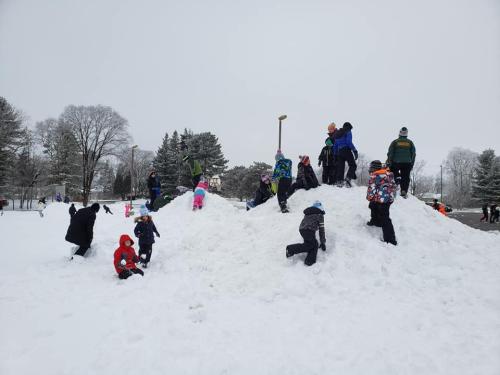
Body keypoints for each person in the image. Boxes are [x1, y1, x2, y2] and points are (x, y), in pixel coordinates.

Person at [366, 160, 397, 246]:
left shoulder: (374, 175)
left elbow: (371, 189)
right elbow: (394, 187)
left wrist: (369, 197)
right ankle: (375, 221)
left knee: (385, 218)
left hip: (381, 199)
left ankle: (390, 240)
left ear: (373, 168)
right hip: (387, 200)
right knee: (373, 206)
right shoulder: (389, 174)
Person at [286, 201, 326, 266]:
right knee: (314, 244)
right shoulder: (320, 215)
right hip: (309, 230)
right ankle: (291, 249)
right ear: (321, 208)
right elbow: (321, 229)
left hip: (302, 229)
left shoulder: (308, 213)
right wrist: (323, 242)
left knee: (311, 245)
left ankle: (309, 261)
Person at [386, 126, 416, 199]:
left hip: (396, 162)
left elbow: (390, 153)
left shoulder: (395, 142)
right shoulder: (410, 142)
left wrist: (389, 162)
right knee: (405, 177)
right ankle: (404, 191)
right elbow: (413, 154)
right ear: (406, 134)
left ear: (399, 133)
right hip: (407, 163)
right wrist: (411, 163)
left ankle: (396, 182)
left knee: (393, 172)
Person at [333, 122, 358, 187]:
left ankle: (339, 181)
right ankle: (348, 179)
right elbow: (349, 142)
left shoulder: (337, 133)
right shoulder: (348, 131)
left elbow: (335, 146)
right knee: (353, 165)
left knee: (341, 167)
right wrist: (354, 150)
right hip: (346, 150)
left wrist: (335, 155)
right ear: (349, 127)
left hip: (339, 152)